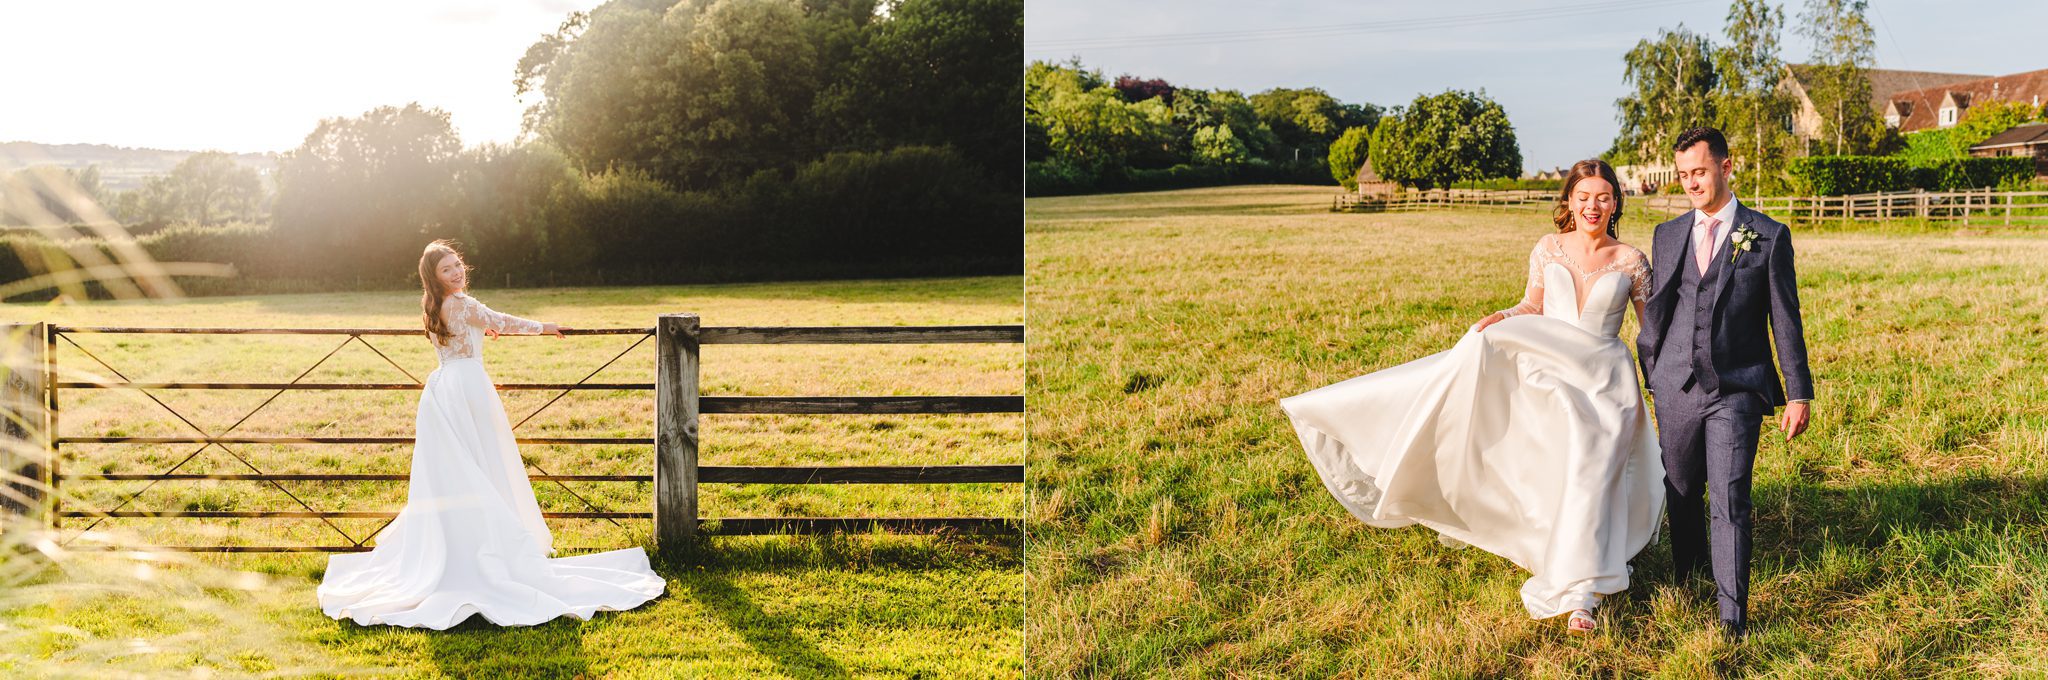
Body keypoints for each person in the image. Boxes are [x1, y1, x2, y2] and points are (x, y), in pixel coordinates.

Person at [1280, 159, 1664, 634]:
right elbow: (1532, 306)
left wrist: (1666, 383)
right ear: (1569, 201)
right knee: (1567, 459)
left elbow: (1653, 332)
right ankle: (1574, 579)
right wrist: (1500, 318)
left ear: (1615, 203)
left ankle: (1582, 592)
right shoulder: (1547, 249)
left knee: (1593, 461)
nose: (1593, 206)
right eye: (1583, 196)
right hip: (1551, 370)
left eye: (1603, 197)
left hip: (1606, 380)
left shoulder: (1631, 260)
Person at [317, 240, 665, 629]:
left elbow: (474, 327)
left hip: (444, 387)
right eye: (446, 269)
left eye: (457, 265)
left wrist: (481, 328)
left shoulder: (434, 305)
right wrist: (544, 327)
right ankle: (485, 550)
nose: (456, 272)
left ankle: (461, 544)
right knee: (480, 464)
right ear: (433, 276)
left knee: (458, 468)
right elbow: (499, 320)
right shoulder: (463, 305)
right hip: (467, 387)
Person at [1636, 126, 1813, 642]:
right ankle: (1686, 580)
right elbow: (1661, 309)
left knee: (1731, 496)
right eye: (1684, 174)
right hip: (1674, 385)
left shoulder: (1768, 235)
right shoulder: (1667, 235)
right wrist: (1651, 370)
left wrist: (1798, 391)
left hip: (1736, 386)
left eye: (1700, 171)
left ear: (1726, 167)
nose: (1692, 183)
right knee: (1683, 490)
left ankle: (1731, 617)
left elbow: (1786, 319)